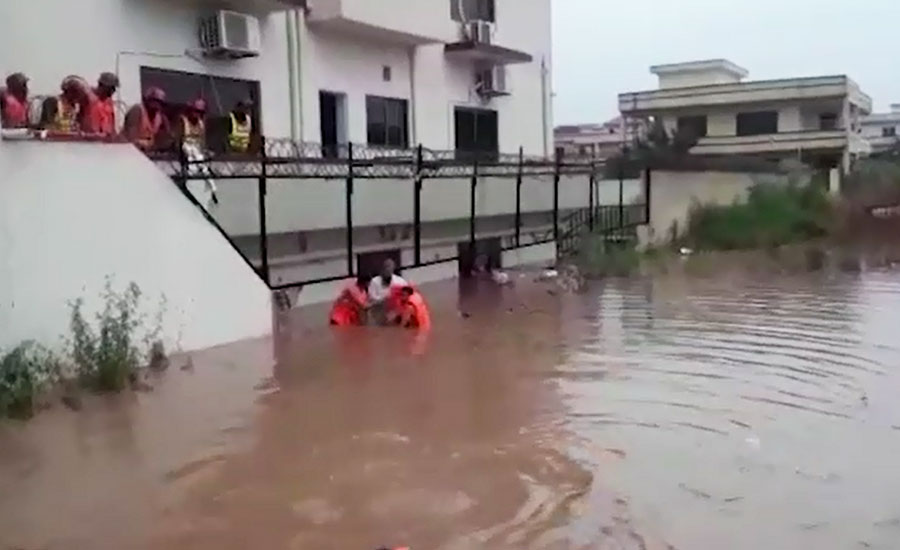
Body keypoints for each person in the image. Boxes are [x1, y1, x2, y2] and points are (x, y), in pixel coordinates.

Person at [123, 87, 168, 151]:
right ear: (147, 100)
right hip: (130, 150)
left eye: (160, 103)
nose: (157, 105)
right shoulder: (137, 111)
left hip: (148, 152)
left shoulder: (159, 117)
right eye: (154, 101)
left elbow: (164, 139)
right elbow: (130, 138)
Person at [368, 259, 407, 325]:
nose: (388, 270)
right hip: (378, 312)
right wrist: (385, 298)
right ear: (382, 269)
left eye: (390, 267)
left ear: (393, 269)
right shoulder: (374, 281)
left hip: (395, 312)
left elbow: (407, 296)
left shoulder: (400, 281)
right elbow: (372, 298)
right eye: (386, 267)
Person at [83, 72, 119, 136]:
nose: (113, 91)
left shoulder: (109, 102)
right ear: (101, 85)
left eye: (114, 88)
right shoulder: (88, 97)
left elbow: (112, 123)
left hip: (106, 138)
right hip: (90, 138)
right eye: (110, 88)